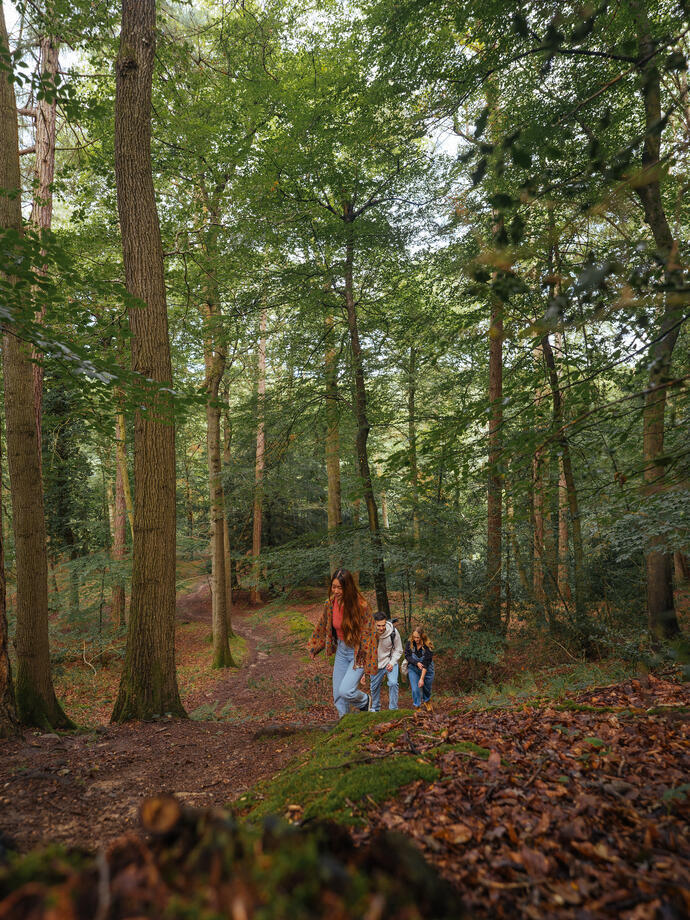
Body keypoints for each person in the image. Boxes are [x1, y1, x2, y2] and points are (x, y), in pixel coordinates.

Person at [307, 568, 379, 718]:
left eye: (340, 587)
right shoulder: (330, 603)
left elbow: (370, 635)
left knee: (346, 691)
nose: (336, 590)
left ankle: (365, 701)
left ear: (348, 587)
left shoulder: (361, 606)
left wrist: (367, 664)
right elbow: (323, 625)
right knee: (338, 695)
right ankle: (344, 725)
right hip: (341, 650)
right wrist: (315, 647)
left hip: (358, 652)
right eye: (334, 587)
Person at [370, 611, 403, 711]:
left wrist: (392, 662)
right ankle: (375, 708)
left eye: (383, 625)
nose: (381, 628)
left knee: (393, 683)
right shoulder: (368, 633)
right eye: (378, 626)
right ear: (374, 624)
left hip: (390, 661)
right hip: (375, 664)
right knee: (374, 687)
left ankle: (393, 708)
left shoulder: (393, 632)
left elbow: (399, 649)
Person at [404, 627, 434, 710]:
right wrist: (416, 663)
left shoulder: (428, 646)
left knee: (427, 688)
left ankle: (427, 700)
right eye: (414, 637)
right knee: (415, 689)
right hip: (413, 669)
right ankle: (417, 706)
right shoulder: (410, 643)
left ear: (422, 636)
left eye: (418, 637)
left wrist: (421, 679)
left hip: (427, 670)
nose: (416, 639)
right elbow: (407, 655)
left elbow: (426, 663)